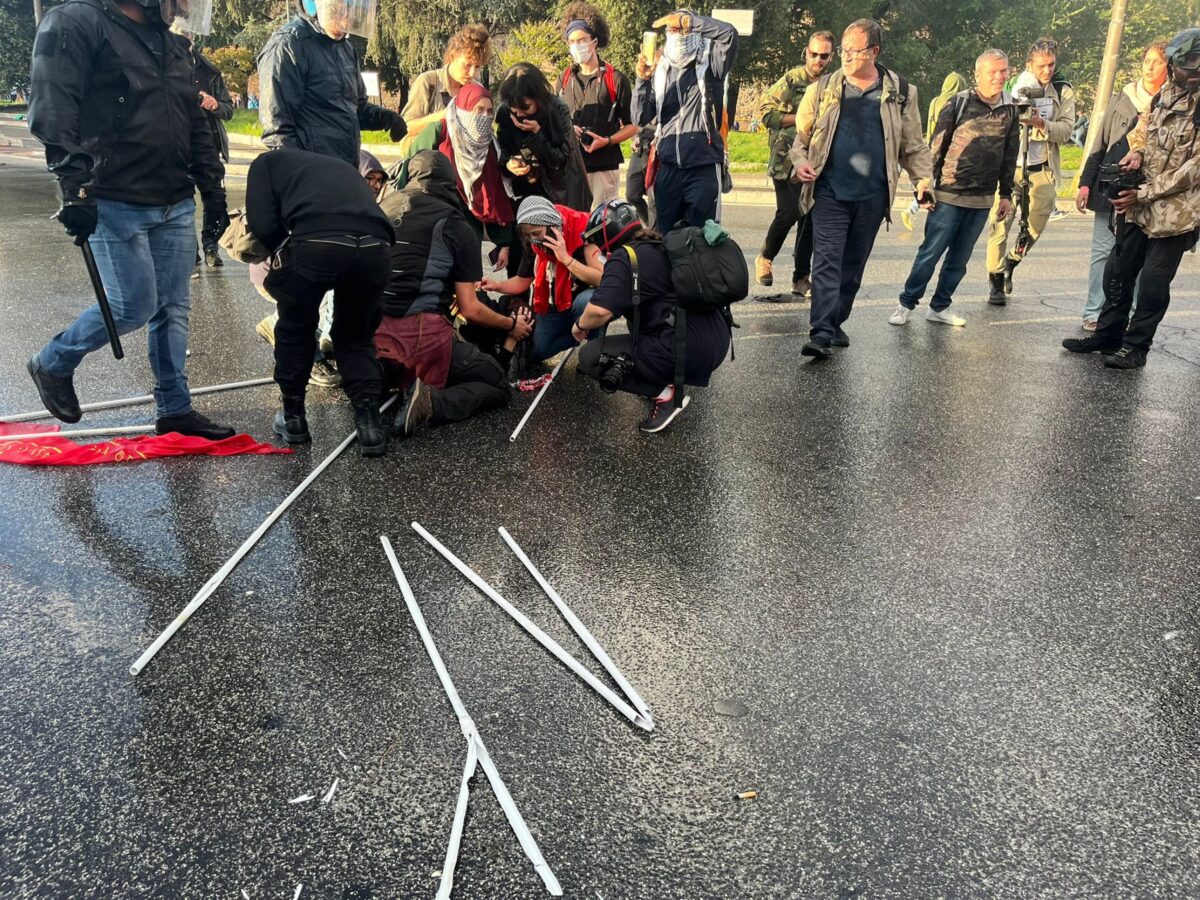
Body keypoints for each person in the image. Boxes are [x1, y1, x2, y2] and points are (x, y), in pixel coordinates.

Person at [26, 0, 235, 440]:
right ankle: (53, 361)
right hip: (114, 197)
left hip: (174, 199)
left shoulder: (171, 43)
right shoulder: (78, 22)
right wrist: (75, 186)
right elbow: (53, 107)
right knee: (132, 306)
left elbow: (194, 119)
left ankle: (175, 409)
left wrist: (212, 191)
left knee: (172, 309)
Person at [789, 19, 932, 358]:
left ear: (875, 52)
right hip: (829, 192)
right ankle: (820, 332)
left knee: (852, 265)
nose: (847, 57)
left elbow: (913, 145)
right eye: (844, 50)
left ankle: (836, 320)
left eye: (855, 51)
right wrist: (799, 161)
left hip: (872, 195)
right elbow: (801, 139)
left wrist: (923, 180)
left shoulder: (900, 92)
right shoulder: (822, 89)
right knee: (826, 260)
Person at [1062, 29, 1200, 369]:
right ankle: (1107, 335)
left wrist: (1144, 193)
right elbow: (1142, 129)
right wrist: (1136, 152)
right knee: (1118, 271)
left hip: (1177, 214)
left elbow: (1194, 169)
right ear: (1174, 65)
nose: (1193, 74)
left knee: (1153, 283)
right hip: (1141, 205)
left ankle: (1136, 346)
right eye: (1187, 67)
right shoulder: (1165, 93)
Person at [245, 149, 395, 455]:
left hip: (316, 241)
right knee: (356, 335)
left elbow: (262, 224)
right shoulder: (340, 164)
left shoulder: (264, 165)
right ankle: (369, 426)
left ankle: (294, 418)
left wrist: (288, 257)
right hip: (375, 245)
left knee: (296, 327)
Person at [375, 151, 532, 437]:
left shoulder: (382, 207)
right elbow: (470, 309)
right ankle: (432, 403)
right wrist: (512, 326)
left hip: (367, 332)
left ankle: (379, 375)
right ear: (452, 183)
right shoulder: (456, 224)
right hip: (421, 335)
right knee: (496, 383)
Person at [574, 200, 732, 433]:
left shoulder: (623, 256)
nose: (597, 246)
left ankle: (666, 396)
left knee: (590, 357)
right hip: (715, 339)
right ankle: (658, 378)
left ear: (608, 234)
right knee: (635, 318)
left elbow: (599, 310)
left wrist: (579, 326)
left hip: (687, 347)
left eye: (597, 239)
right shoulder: (659, 244)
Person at [888, 50, 1019, 329]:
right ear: (978, 75)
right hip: (948, 194)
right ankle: (906, 304)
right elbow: (935, 147)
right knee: (930, 253)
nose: (999, 76)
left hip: (982, 199)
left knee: (959, 260)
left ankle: (940, 307)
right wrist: (924, 185)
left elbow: (1010, 154)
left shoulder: (1011, 109)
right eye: (993, 72)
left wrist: (1005, 194)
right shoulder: (959, 103)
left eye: (1004, 71)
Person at [1074, 41, 1168, 330]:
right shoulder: (1122, 97)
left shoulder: (1171, 101)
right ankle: (1094, 311)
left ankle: (1130, 315)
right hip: (1111, 185)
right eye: (1147, 60)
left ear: (1170, 67)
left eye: (1157, 62)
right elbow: (1100, 142)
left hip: (1147, 192)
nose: (1149, 67)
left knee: (1139, 256)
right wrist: (1085, 184)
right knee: (1103, 252)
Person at [258, 0, 406, 166]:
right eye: (339, 8)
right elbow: (277, 128)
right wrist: (301, 175)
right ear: (312, 5)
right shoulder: (289, 45)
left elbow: (355, 110)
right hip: (312, 173)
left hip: (344, 168)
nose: (347, 17)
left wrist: (385, 118)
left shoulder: (345, 49)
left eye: (353, 8)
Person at [387, 82, 517, 272]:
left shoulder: (488, 145)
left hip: (467, 231)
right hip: (434, 221)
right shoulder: (439, 131)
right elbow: (410, 172)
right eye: (478, 110)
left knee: (466, 280)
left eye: (489, 112)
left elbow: (494, 194)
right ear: (462, 108)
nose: (484, 117)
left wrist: (504, 243)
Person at [985, 37, 1075, 304]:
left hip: (1041, 168)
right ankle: (996, 281)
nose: (1046, 71)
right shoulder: (1013, 86)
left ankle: (1013, 259)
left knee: (1034, 226)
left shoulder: (1062, 90)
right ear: (1029, 64)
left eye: (1051, 65)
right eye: (1041, 65)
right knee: (1000, 225)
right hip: (1011, 167)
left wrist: (1041, 123)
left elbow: (1067, 131)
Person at [633, 8, 737, 230]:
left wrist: (686, 21)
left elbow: (729, 34)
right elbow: (640, 117)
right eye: (672, 29)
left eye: (682, 29)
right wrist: (641, 81)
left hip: (703, 166)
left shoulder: (710, 65)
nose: (678, 33)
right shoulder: (661, 70)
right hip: (668, 167)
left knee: (702, 240)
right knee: (665, 239)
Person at [754, 29, 835, 298]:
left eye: (824, 56)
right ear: (806, 52)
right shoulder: (792, 79)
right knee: (788, 212)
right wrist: (802, 118)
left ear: (831, 57)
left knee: (809, 219)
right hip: (785, 160)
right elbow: (766, 114)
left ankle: (801, 278)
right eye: (814, 54)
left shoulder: (834, 84)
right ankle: (765, 257)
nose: (818, 60)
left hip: (817, 162)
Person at [480, 196, 604, 362]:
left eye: (537, 233)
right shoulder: (534, 241)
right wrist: (496, 285)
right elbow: (522, 281)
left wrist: (566, 259)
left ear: (552, 225)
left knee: (587, 301)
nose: (534, 239)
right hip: (559, 302)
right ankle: (577, 332)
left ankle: (594, 351)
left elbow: (603, 279)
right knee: (536, 350)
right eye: (528, 235)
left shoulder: (583, 231)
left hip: (590, 299)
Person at [556, 2, 637, 208]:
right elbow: (553, 119)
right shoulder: (564, 79)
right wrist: (567, 129)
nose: (577, 46)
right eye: (572, 41)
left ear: (594, 41)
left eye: (582, 39)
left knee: (601, 230)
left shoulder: (616, 79)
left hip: (603, 168)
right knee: (573, 228)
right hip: (571, 168)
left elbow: (632, 125)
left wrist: (607, 140)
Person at [497, 63, 592, 211]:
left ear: (538, 98)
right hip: (525, 195)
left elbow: (561, 161)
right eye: (514, 109)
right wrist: (509, 163)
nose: (519, 114)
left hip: (562, 195)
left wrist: (537, 134)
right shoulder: (505, 112)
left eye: (526, 107)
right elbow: (503, 151)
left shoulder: (557, 109)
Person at [181, 32, 233, 269]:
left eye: (188, 33)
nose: (185, 36)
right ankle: (189, 251)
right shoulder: (162, 64)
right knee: (182, 199)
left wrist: (215, 105)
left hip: (207, 145)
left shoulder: (208, 70)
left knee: (215, 197)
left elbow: (228, 110)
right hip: (177, 144)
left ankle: (211, 244)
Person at [899, 70, 968, 232]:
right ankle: (913, 210)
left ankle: (913, 209)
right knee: (937, 184)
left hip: (930, 146)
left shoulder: (936, 101)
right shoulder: (956, 102)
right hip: (947, 150)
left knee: (927, 180)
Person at [401, 23, 492, 140]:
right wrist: (446, 115)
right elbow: (406, 128)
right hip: (428, 156)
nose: (472, 74)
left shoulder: (477, 90)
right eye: (467, 65)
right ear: (453, 56)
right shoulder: (428, 82)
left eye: (477, 67)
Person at [626, 121, 658, 230]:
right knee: (632, 195)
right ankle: (651, 228)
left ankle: (655, 236)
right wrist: (635, 136)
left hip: (659, 142)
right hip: (641, 144)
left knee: (653, 198)